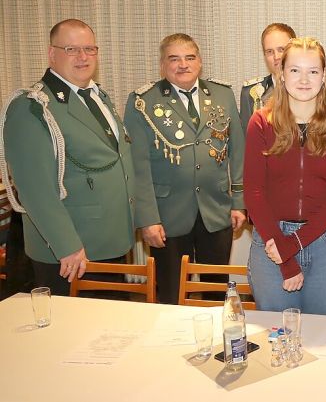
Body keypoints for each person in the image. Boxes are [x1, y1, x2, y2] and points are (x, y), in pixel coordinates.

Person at [0, 19, 138, 296]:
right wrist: (67, 245)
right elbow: (35, 189)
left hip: (110, 241)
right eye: (72, 49)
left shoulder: (97, 96)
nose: (83, 57)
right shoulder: (33, 107)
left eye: (89, 49)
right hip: (71, 253)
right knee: (74, 323)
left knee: (109, 320)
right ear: (52, 54)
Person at [125, 34, 246, 304]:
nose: (183, 65)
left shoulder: (222, 94)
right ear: (162, 65)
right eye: (174, 59)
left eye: (189, 58)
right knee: (171, 294)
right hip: (167, 216)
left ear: (199, 62)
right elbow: (138, 166)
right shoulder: (143, 102)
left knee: (216, 291)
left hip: (216, 210)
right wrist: (148, 219)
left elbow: (238, 151)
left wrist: (239, 202)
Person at [244, 37, 326, 315]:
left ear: (324, 76)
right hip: (271, 241)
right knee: (277, 334)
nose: (304, 80)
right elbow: (254, 193)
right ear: (281, 74)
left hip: (324, 241)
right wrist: (284, 258)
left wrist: (294, 243)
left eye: (313, 71)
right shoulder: (261, 122)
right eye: (295, 70)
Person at [240, 23, 297, 133]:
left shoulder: (310, 88)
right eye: (270, 52)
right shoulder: (252, 93)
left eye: (281, 49)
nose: (276, 57)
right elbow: (247, 138)